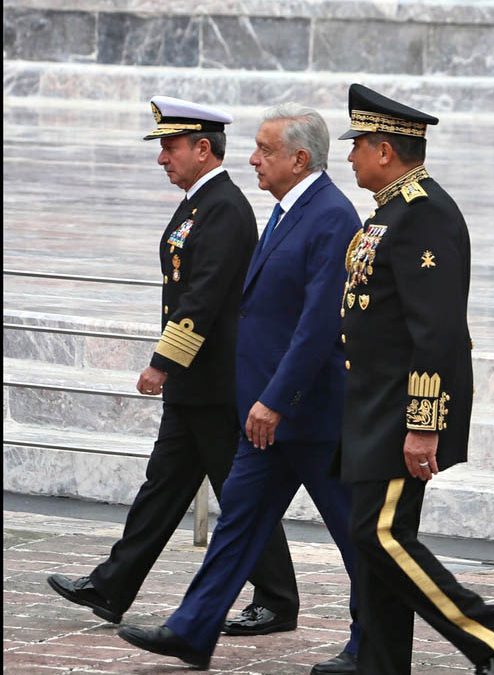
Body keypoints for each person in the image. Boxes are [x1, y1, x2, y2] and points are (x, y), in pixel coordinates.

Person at [116, 103, 363, 675]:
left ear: (300, 159)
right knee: (237, 526)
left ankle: (379, 639)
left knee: (358, 536)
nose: (253, 158)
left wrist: (275, 398)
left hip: (309, 413)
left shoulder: (329, 216)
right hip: (264, 411)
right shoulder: (284, 210)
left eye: (265, 150)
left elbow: (317, 326)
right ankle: (192, 628)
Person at [47, 95, 300, 632]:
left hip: (212, 381)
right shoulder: (199, 203)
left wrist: (163, 361)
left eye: (170, 147)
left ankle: (278, 599)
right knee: (163, 487)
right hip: (196, 385)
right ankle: (112, 585)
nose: (163, 158)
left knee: (240, 493)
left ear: (203, 149)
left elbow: (203, 297)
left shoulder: (225, 208)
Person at [336, 83, 494, 675]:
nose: (349, 158)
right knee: (371, 538)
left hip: (400, 407)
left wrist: (423, 426)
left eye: (358, 147)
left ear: (384, 151)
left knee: (383, 536)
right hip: (371, 403)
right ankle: (380, 661)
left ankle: (491, 633)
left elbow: (438, 332)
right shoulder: (396, 210)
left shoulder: (424, 215)